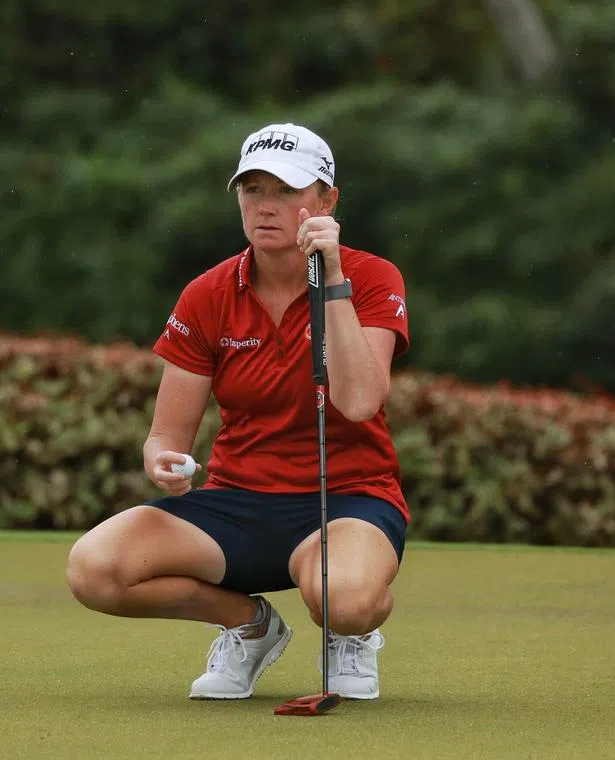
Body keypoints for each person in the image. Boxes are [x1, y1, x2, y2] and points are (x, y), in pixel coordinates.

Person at [66, 122, 411, 701]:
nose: (265, 207)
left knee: (345, 602)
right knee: (94, 569)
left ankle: (352, 637)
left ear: (326, 201)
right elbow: (164, 437)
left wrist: (333, 281)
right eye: (252, 190)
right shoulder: (208, 293)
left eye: (285, 191)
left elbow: (357, 400)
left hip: (347, 498)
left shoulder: (372, 278)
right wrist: (164, 463)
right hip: (237, 506)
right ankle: (249, 626)